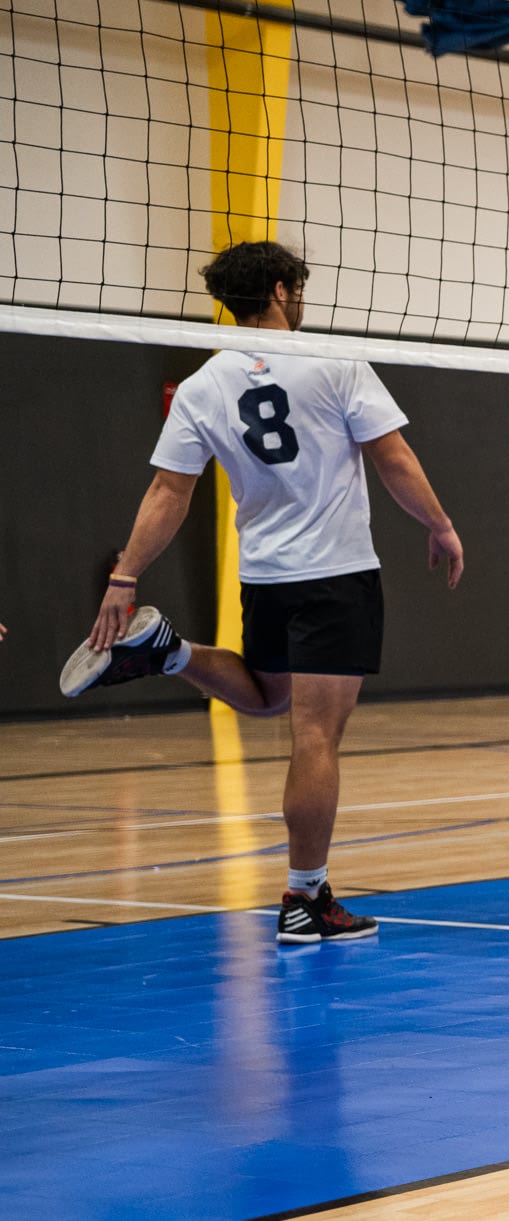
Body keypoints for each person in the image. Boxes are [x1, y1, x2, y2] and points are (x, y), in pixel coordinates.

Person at [58, 241, 464, 943]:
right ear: (281, 289)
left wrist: (126, 575)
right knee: (315, 737)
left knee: (269, 698)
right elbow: (392, 457)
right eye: (297, 287)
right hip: (335, 574)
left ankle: (170, 653)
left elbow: (168, 491)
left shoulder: (202, 385)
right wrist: (440, 524)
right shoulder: (334, 361)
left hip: (266, 576)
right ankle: (305, 899)